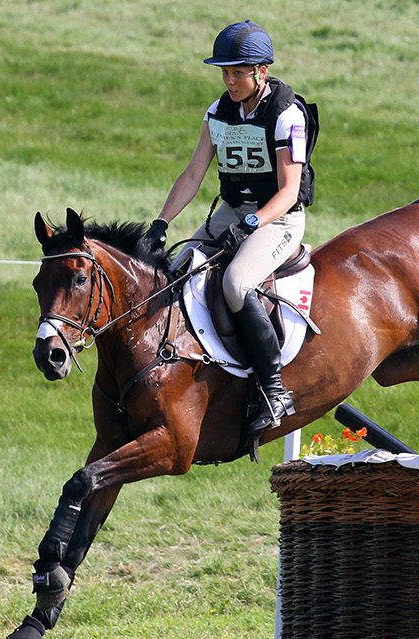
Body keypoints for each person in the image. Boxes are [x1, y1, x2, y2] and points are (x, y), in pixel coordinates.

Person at [145, 20, 316, 434]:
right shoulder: (218, 111)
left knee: (236, 282)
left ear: (262, 71)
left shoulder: (286, 114)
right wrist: (161, 222)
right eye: (225, 72)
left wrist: (251, 224)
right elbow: (192, 174)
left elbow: (289, 191)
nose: (230, 80)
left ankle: (274, 389)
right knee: (174, 269)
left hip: (278, 217)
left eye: (238, 72)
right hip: (231, 212)